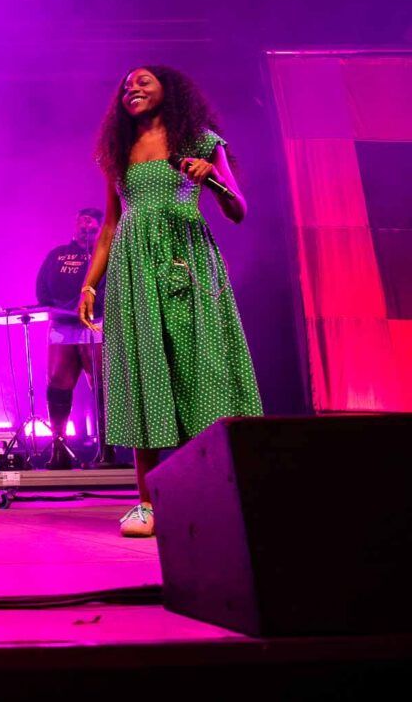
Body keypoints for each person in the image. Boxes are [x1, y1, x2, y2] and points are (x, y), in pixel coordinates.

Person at [78, 65, 263, 537]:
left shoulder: (200, 141)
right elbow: (109, 226)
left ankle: (214, 493)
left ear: (169, 89)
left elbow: (238, 211)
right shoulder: (118, 153)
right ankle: (147, 502)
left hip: (188, 262)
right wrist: (90, 284)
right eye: (124, 87)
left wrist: (213, 180)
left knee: (199, 370)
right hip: (133, 269)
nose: (131, 89)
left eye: (142, 82)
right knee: (145, 373)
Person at [35, 207, 105, 470]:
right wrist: (54, 307)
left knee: (101, 381)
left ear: (100, 228)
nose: (85, 227)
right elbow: (41, 286)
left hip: (96, 322)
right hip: (63, 324)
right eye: (81, 223)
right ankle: (59, 447)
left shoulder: (103, 254)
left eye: (91, 225)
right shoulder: (57, 254)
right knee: (57, 382)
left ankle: (106, 449)